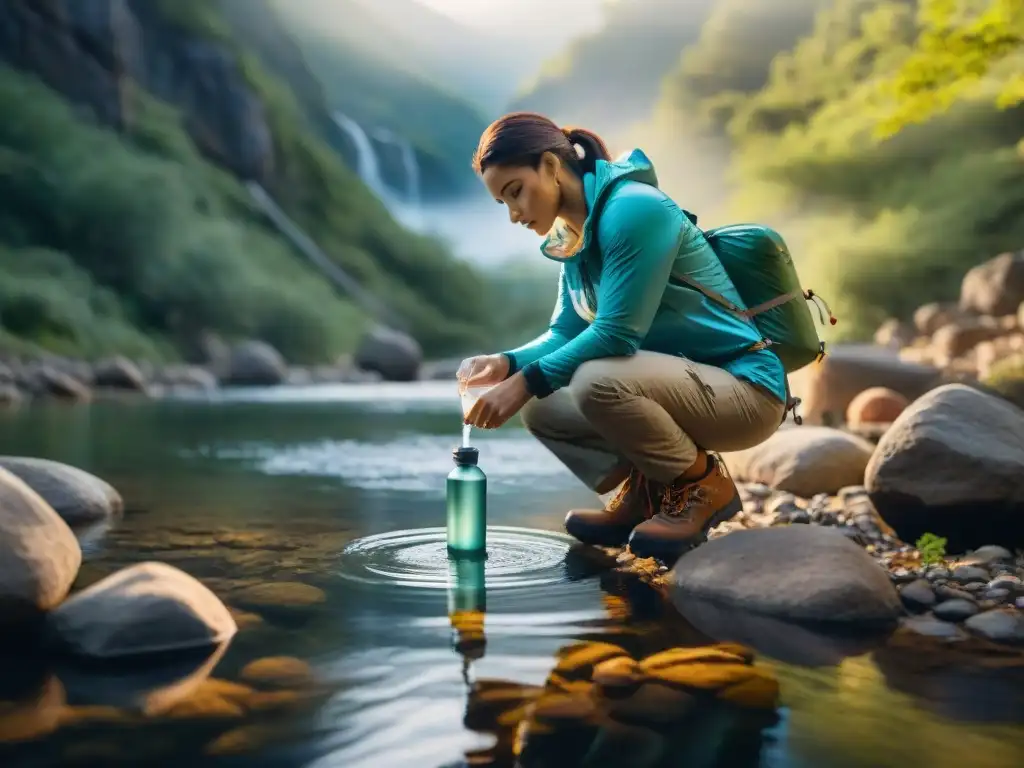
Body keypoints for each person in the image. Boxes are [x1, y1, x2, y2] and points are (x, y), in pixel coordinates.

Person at [457, 112, 786, 561]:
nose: (514, 215)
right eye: (503, 203)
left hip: (744, 389)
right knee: (544, 403)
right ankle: (646, 492)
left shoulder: (634, 209)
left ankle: (701, 485)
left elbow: (616, 335)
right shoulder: (573, 236)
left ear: (551, 167)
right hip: (680, 385)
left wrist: (525, 381)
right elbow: (565, 333)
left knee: (594, 380)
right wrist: (507, 363)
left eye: (515, 191)